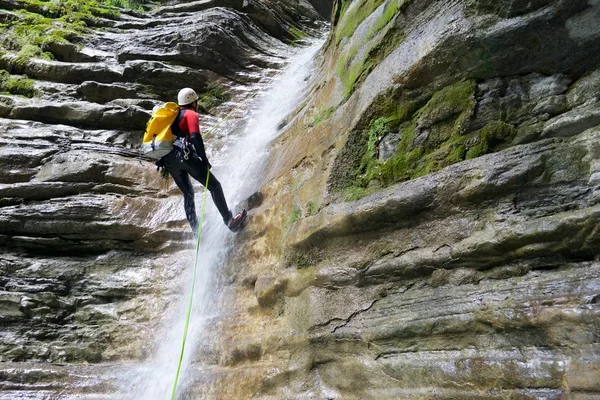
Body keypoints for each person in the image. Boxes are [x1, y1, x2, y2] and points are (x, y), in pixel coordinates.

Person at [158, 87, 245, 234]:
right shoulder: (190, 114)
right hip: (184, 157)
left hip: (168, 161)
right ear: (193, 101)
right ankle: (229, 220)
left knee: (188, 193)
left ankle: (195, 231)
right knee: (214, 186)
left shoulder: (173, 116)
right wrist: (204, 159)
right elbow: (196, 137)